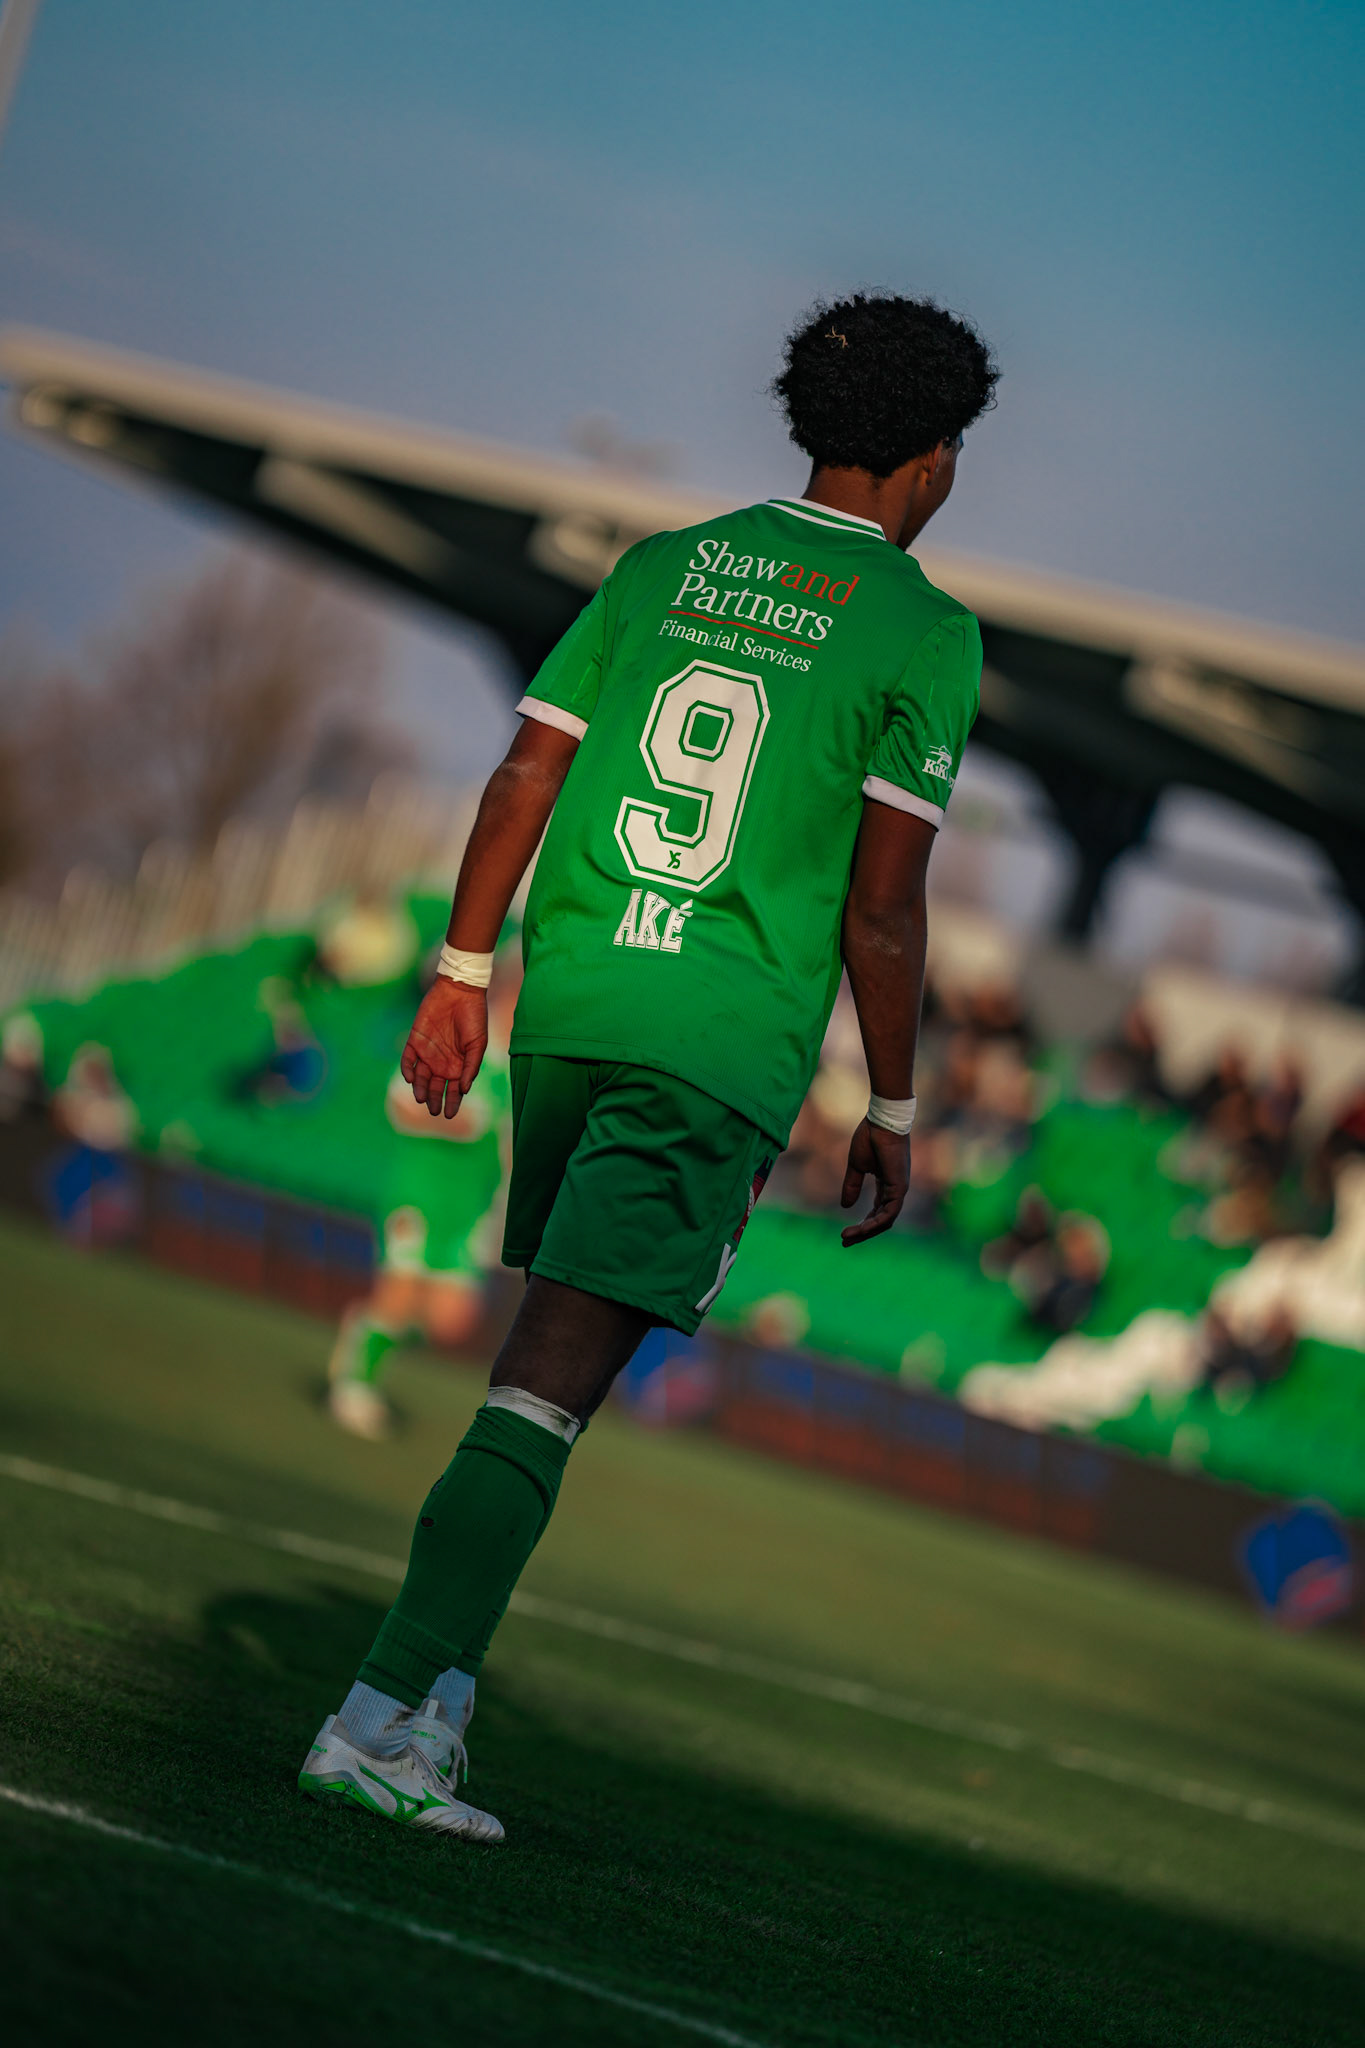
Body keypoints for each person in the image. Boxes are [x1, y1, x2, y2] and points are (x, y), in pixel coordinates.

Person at [299, 291, 998, 1841]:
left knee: (537, 1371)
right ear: (934, 458)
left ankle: (439, 1711)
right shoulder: (925, 632)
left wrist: (461, 968)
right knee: (543, 1398)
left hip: (573, 1005)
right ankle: (372, 1720)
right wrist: (891, 1103)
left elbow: (525, 766)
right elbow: (882, 907)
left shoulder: (667, 563)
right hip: (714, 1044)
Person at [326, 950, 518, 1439]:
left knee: (452, 1320)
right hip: (419, 1191)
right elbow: (401, 1106)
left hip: (469, 1208)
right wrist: (462, 1123)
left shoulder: (521, 1064)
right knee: (399, 1295)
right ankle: (355, 1386)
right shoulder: (457, 1036)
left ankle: (367, 1327)